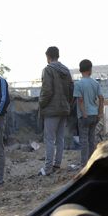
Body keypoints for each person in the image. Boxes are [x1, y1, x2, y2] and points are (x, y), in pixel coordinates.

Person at [39, 45, 74, 175]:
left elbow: (47, 90)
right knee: (60, 138)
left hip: (51, 110)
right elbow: (72, 90)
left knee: (49, 139)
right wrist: (68, 104)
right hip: (64, 109)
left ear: (48, 57)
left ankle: (47, 169)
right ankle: (57, 164)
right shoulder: (66, 71)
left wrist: (41, 103)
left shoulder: (47, 70)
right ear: (58, 56)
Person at [74, 59, 104, 162]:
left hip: (84, 116)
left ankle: (84, 164)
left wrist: (84, 114)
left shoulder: (78, 84)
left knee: (84, 141)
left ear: (80, 70)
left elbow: (80, 100)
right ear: (90, 70)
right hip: (94, 115)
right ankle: (92, 162)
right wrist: (100, 113)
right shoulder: (95, 83)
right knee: (92, 140)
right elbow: (101, 98)